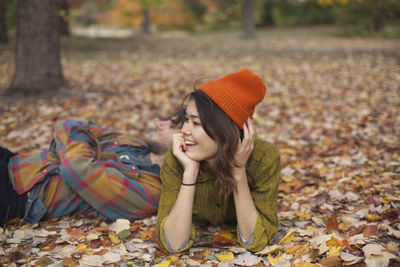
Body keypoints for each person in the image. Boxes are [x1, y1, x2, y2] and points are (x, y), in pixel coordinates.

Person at [156, 68, 281, 253]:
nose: (184, 129)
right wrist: (190, 173)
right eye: (186, 119)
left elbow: (256, 242)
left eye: (195, 123)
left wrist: (238, 171)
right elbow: (173, 244)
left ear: (224, 131)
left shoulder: (264, 159)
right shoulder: (177, 159)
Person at [0, 117, 181, 227]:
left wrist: (76, 152)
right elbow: (69, 124)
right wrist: (78, 159)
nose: (159, 124)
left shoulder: (152, 190)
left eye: (172, 125)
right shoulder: (134, 143)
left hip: (18, 197)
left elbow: (76, 170)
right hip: (12, 160)